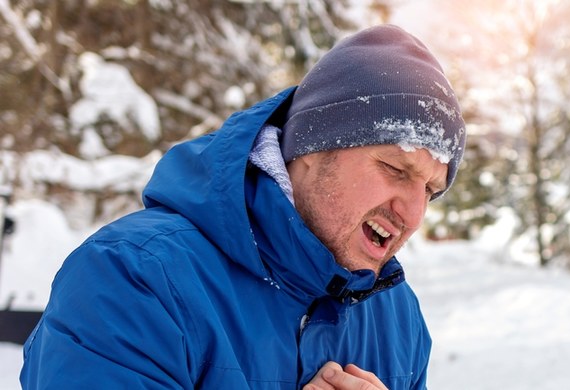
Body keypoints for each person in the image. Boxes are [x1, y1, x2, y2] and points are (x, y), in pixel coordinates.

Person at [20, 24, 466, 390]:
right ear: (311, 149)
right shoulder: (134, 278)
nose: (412, 213)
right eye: (395, 168)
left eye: (429, 190)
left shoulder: (396, 315)